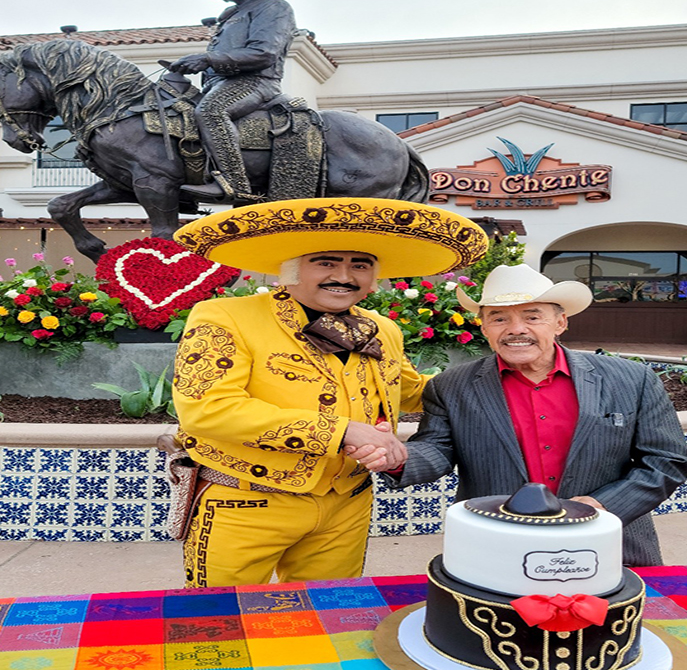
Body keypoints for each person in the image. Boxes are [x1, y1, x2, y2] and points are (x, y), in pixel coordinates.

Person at [170, 197, 489, 588]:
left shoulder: (382, 329)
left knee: (328, 617)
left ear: (374, 278)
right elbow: (208, 410)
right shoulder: (226, 317)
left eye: (360, 264)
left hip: (347, 504)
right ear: (291, 270)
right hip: (246, 502)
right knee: (220, 622)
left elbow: (411, 392)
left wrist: (493, 381)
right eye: (326, 262)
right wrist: (344, 432)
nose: (344, 275)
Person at [369, 263, 687, 566]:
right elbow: (437, 450)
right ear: (483, 327)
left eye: (532, 317)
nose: (516, 330)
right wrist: (397, 458)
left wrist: (600, 507)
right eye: (499, 318)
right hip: (495, 547)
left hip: (609, 546)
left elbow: (667, 460)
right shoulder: (451, 386)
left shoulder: (630, 379)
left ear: (560, 322)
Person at [168, 0, 306, 201]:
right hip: (218, 85)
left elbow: (264, 53)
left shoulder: (273, 7)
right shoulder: (230, 18)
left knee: (210, 112)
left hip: (256, 83)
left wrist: (207, 59)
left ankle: (234, 183)